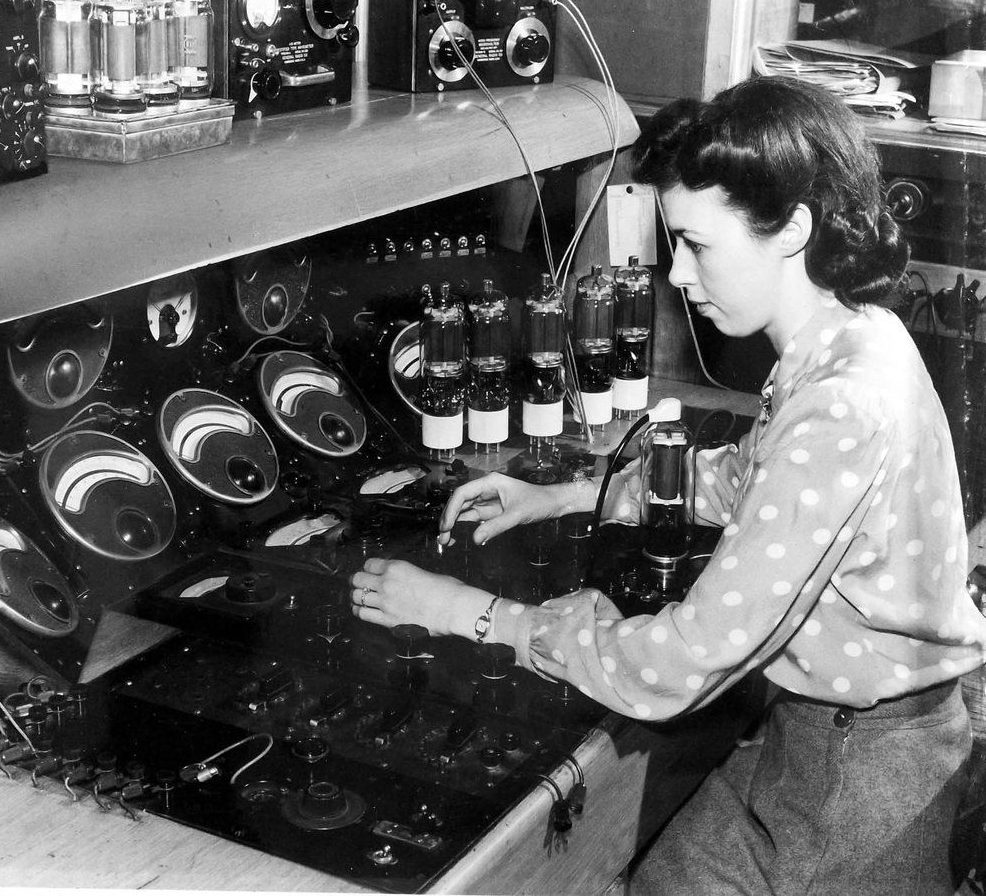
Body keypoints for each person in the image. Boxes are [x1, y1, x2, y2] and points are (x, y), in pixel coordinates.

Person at [347, 76, 986, 895]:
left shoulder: (842, 403)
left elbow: (681, 661)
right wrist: (573, 492)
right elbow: (745, 476)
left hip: (862, 780)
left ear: (792, 227)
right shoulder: (853, 337)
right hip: (832, 737)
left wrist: (472, 615)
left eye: (696, 243)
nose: (677, 273)